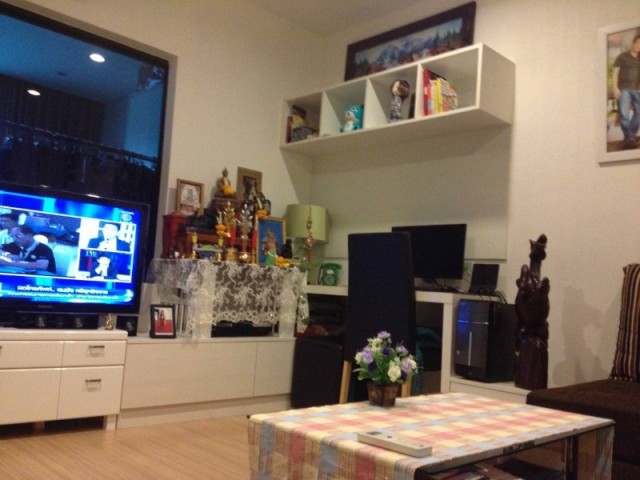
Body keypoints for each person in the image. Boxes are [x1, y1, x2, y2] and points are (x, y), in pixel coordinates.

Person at [612, 34, 640, 150]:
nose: (638, 45)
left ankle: (630, 138)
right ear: (633, 44)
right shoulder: (622, 57)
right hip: (623, 89)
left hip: (636, 90)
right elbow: (615, 73)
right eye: (637, 43)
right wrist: (615, 88)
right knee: (624, 114)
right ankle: (630, 139)